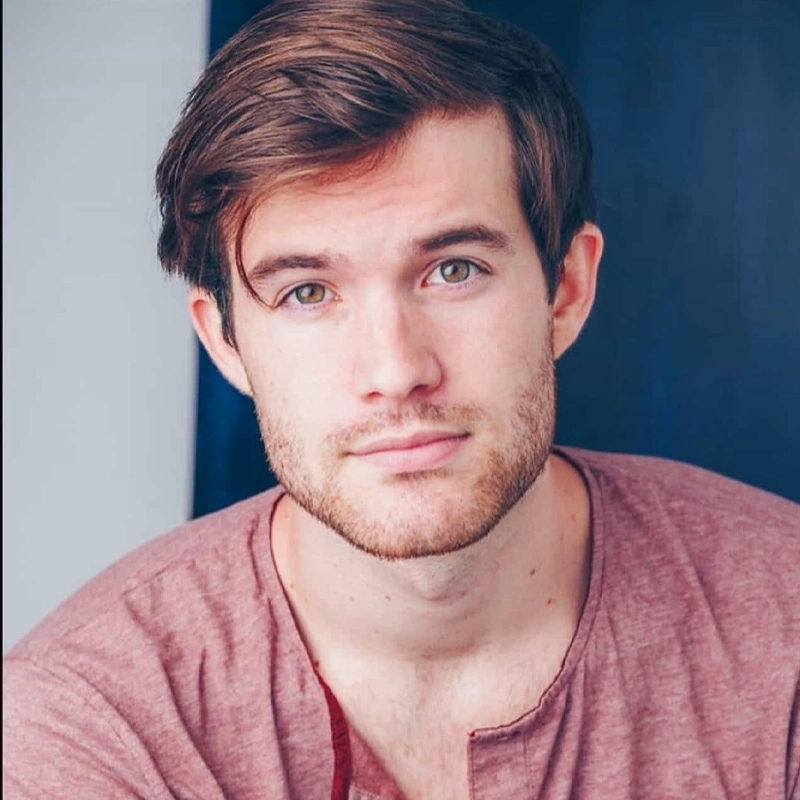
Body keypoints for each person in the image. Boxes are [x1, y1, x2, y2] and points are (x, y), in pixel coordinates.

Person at [4, 0, 799, 797]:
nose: (395, 369)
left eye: (454, 270)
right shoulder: (88, 719)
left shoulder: (784, 622)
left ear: (566, 289)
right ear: (225, 343)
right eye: (307, 292)